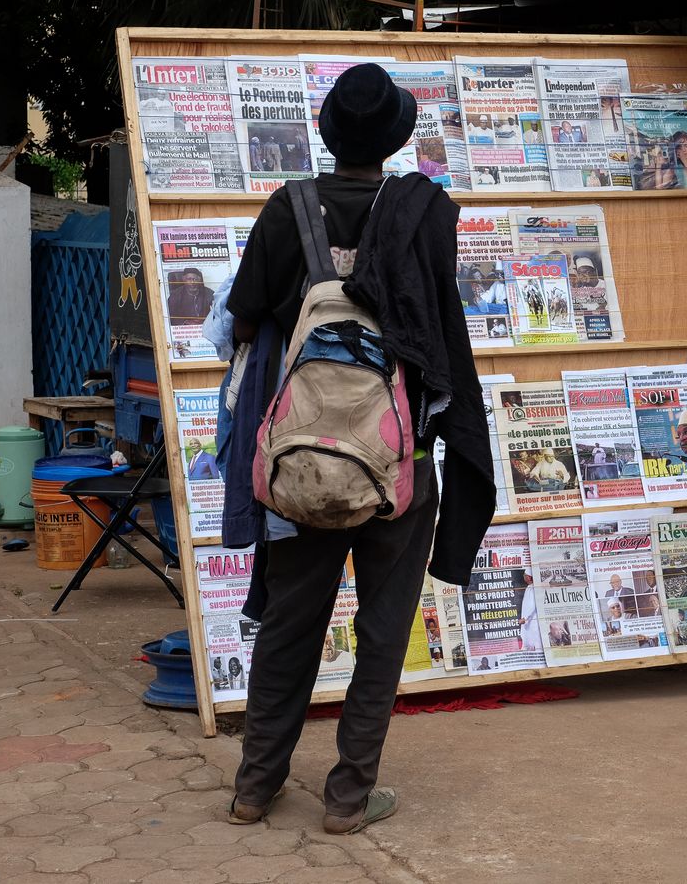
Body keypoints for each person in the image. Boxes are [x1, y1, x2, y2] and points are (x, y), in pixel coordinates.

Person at [226, 64, 494, 836]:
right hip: (398, 462)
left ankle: (254, 787)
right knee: (381, 630)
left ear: (330, 134)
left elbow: (245, 323)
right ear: (395, 139)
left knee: (290, 620)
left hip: (307, 461)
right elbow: (436, 327)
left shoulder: (287, 210)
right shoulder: (426, 213)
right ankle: (347, 797)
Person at [517, 571, 542, 653]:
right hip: (527, 621)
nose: (524, 577)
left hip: (532, 621)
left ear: (528, 577)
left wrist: (525, 618)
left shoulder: (533, 588)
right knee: (527, 642)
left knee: (536, 644)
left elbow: (533, 605)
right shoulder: (529, 587)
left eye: (524, 575)